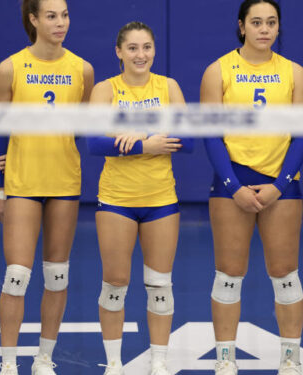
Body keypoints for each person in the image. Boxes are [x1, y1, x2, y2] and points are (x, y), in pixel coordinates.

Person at [200, 0, 303, 373]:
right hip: (233, 184)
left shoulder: (295, 73)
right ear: (242, 26)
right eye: (257, 22)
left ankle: (290, 361)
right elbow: (211, 134)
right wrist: (233, 186)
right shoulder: (218, 71)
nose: (265, 29)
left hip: (281, 186)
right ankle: (225, 361)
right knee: (229, 276)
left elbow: (301, 136)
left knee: (286, 275)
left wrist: (281, 185)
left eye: (272, 22)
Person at [0, 0, 94, 374]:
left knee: (57, 274)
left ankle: (44, 359)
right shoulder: (10, 68)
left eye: (64, 15)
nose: (60, 22)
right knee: (17, 274)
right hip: (22, 183)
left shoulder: (83, 69)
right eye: (51, 15)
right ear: (33, 19)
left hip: (64, 181)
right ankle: (8, 364)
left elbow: (82, 124)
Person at [86, 21, 191, 375]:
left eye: (146, 47)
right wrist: (149, 143)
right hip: (116, 199)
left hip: (161, 199)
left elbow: (188, 138)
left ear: (154, 50)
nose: (140, 54)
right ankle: (114, 363)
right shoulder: (104, 90)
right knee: (115, 283)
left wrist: (135, 137)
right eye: (132, 48)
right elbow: (93, 142)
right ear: (119, 52)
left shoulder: (168, 86)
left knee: (160, 284)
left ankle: (158, 361)